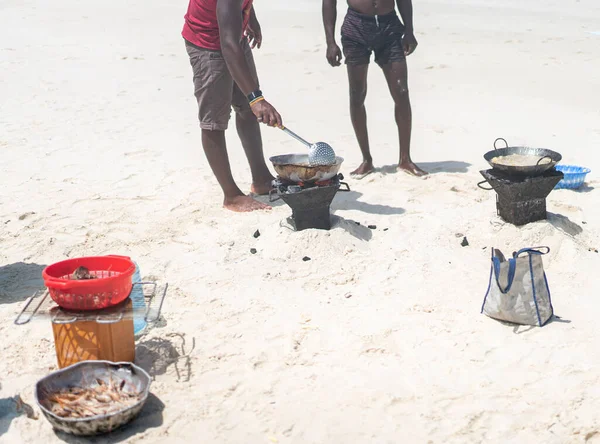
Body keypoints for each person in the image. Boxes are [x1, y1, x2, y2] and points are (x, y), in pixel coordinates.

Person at [182, 0, 283, 212]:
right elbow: (228, 46)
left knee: (248, 109)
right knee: (214, 122)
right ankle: (231, 195)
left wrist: (249, 17)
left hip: (234, 34)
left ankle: (261, 178)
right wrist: (257, 98)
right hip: (208, 43)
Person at [322, 0, 427, 177]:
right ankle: (366, 160)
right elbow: (329, 3)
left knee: (402, 92)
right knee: (357, 95)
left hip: (390, 27)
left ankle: (405, 159)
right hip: (356, 27)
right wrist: (330, 42)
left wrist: (409, 30)